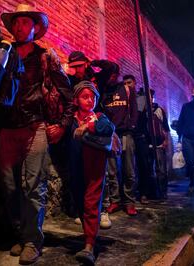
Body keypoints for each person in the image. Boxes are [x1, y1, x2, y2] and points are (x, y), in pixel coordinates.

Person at [0, 4, 73, 264]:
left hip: (36, 127)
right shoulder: (5, 53)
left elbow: (66, 92)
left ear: (35, 27)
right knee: (8, 187)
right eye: (16, 23)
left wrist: (62, 123)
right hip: (7, 128)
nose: (19, 28)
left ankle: (32, 240)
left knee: (33, 185)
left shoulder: (45, 56)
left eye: (25, 23)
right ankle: (20, 234)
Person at [69, 80, 115, 265]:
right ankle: (89, 234)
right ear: (76, 100)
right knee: (80, 201)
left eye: (92, 97)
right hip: (75, 168)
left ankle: (89, 245)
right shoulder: (70, 119)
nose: (90, 100)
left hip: (95, 168)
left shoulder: (98, 116)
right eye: (85, 97)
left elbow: (108, 128)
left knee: (91, 202)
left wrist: (87, 126)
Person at [102, 74, 138, 215]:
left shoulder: (127, 89)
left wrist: (132, 125)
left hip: (125, 134)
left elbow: (134, 109)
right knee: (112, 171)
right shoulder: (105, 91)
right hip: (111, 134)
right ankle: (115, 201)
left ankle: (129, 202)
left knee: (129, 169)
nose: (110, 77)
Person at [150, 89, 170, 199]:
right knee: (149, 171)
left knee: (161, 170)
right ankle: (153, 194)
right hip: (146, 145)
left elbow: (166, 128)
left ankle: (163, 193)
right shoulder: (142, 110)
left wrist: (166, 141)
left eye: (150, 96)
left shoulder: (159, 110)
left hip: (158, 145)